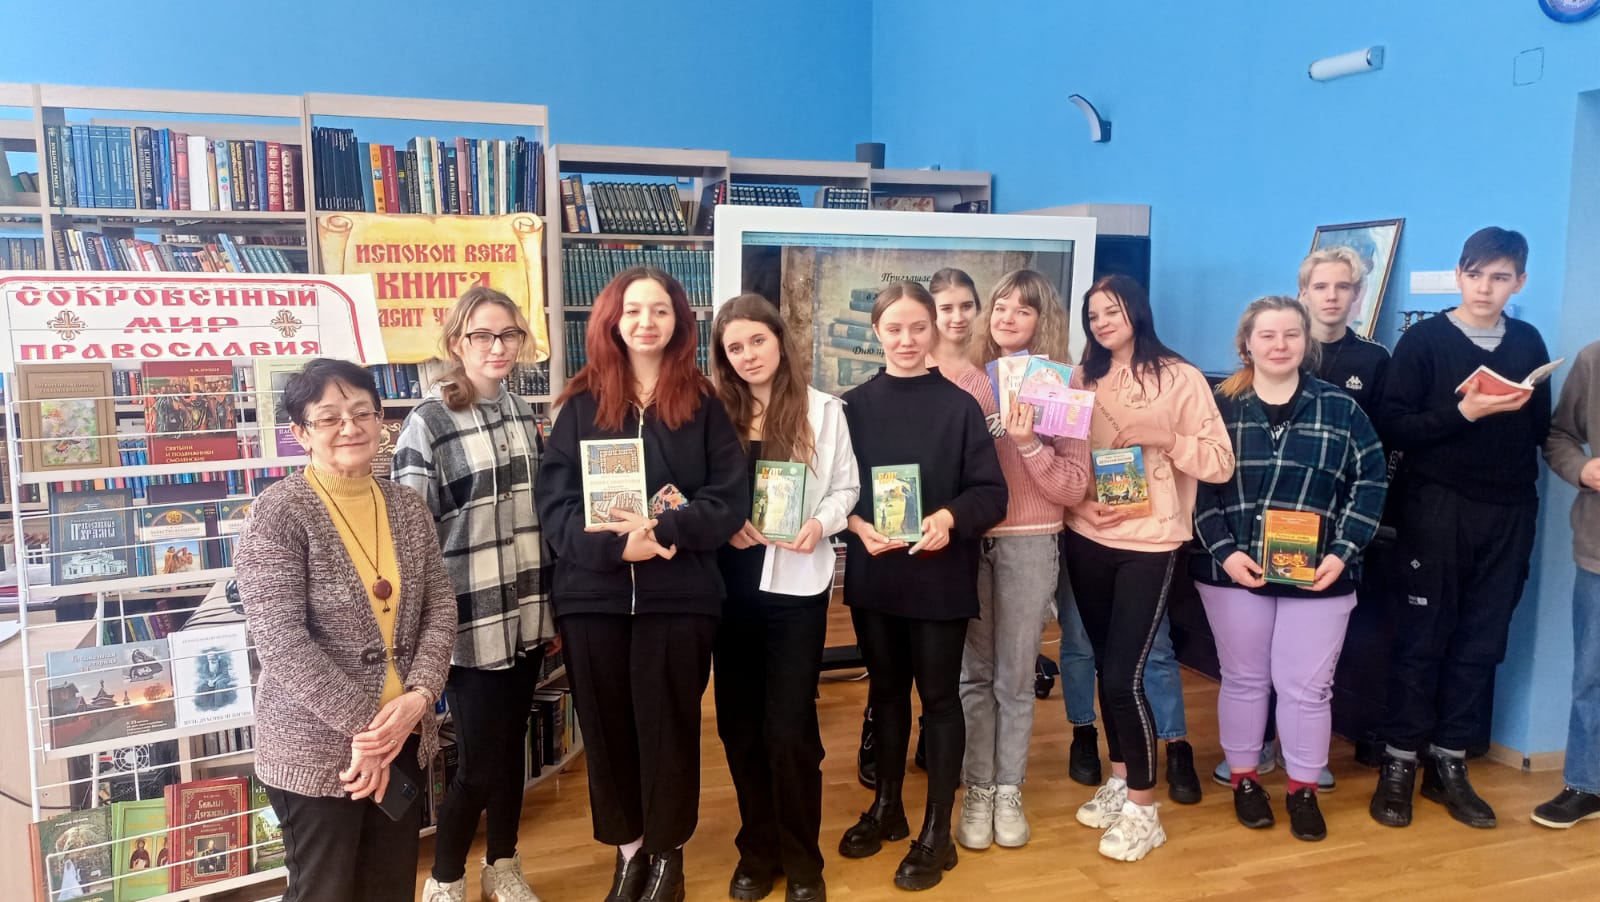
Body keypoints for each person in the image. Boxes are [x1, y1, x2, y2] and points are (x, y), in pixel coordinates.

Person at [535, 266, 747, 902]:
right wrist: (614, 548)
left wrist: (664, 528)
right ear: (612, 320)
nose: (646, 322)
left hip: (679, 597)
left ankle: (667, 856)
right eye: (633, 310)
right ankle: (628, 854)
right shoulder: (579, 404)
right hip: (593, 597)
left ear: (679, 321)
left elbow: (728, 500)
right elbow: (555, 506)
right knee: (606, 731)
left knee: (668, 730)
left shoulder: (704, 404)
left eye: (660, 310)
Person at [235, 358, 455, 902]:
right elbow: (283, 644)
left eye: (362, 412)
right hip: (317, 752)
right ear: (301, 433)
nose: (350, 427)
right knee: (325, 892)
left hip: (404, 738)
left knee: (390, 888)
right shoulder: (278, 514)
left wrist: (419, 697)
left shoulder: (406, 506)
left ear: (382, 421)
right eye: (329, 417)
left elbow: (440, 607)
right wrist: (373, 734)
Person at [1370, 227, 1552, 830]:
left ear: (1519, 282)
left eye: (1500, 277)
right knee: (1422, 638)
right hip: (1436, 508)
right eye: (1475, 275)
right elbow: (1393, 427)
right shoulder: (1423, 341)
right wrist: (1463, 412)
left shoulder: (1528, 341)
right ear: (1458, 275)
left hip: (1509, 510)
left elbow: (1539, 431)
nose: (1485, 288)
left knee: (1481, 641)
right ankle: (1400, 761)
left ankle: (1449, 763)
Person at [1191, 296, 1387, 842]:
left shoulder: (1341, 409)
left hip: (1321, 574)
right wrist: (1225, 551)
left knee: (1307, 689)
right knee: (1244, 680)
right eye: (1267, 335)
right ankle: (1245, 779)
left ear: (1307, 342)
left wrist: (1342, 551)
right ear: (1246, 344)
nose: (1280, 345)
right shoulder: (1218, 406)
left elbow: (1371, 482)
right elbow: (1196, 485)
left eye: (1291, 335)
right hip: (1234, 568)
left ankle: (1303, 788)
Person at [836, 281, 1007, 892]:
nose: (906, 340)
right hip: (877, 572)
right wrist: (855, 524)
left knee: (938, 698)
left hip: (939, 575)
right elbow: (837, 492)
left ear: (934, 329)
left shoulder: (959, 407)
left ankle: (938, 829)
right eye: (894, 328)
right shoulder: (850, 407)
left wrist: (949, 518)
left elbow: (991, 493)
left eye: (917, 327)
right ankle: (887, 806)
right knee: (885, 696)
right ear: (876, 333)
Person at [1062, 274, 1235, 861]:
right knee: (1103, 664)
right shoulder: (1081, 379)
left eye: (1111, 311)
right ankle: (1119, 779)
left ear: (1136, 311)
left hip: (1151, 544)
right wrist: (1080, 505)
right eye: (1093, 316)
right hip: (1087, 535)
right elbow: (1068, 459)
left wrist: (1166, 436)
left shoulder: (1181, 377)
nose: (1102, 323)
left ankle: (1143, 809)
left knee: (1123, 677)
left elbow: (1219, 463)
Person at [392, 286, 556, 902]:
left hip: (528, 612)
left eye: (508, 334)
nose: (497, 347)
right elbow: (410, 538)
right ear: (457, 343)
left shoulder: (523, 414)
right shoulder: (428, 422)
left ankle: (503, 864)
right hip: (468, 623)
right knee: (481, 761)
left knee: (510, 750)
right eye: (481, 335)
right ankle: (445, 877)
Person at [710, 294, 860, 902]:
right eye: (734, 347)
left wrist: (821, 523)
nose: (748, 355)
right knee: (739, 728)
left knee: (790, 730)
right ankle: (757, 851)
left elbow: (846, 487)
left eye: (758, 341)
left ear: (779, 339)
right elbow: (697, 490)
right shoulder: (712, 412)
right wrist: (722, 522)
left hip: (796, 586)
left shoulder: (824, 411)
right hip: (728, 590)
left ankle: (803, 860)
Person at [947, 269, 1091, 850]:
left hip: (1030, 540)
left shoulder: (1063, 384)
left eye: (1023, 310)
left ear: (1042, 320)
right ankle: (977, 787)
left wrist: (1027, 441)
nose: (1007, 318)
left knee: (1014, 677)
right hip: (967, 540)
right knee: (973, 675)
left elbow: (1073, 486)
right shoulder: (967, 381)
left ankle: (1008, 788)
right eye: (1001, 306)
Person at [1534, 337, 1600, 829]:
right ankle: (1586, 782)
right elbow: (1558, 436)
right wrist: (1582, 469)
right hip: (1599, 551)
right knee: (1592, 674)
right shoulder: (1594, 359)